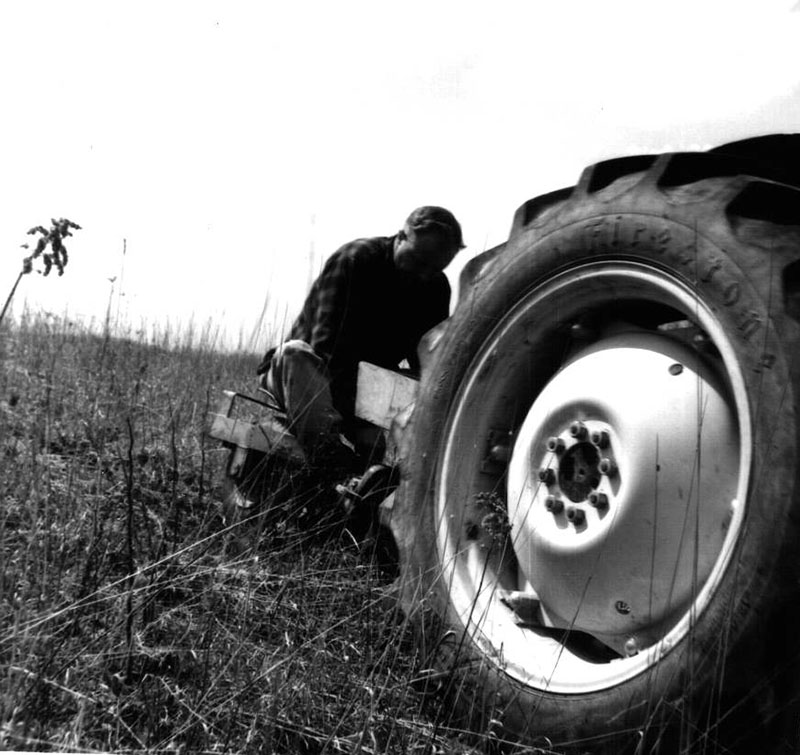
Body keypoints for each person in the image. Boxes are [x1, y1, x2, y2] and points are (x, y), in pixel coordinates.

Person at [256, 205, 464, 470]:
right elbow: (328, 350)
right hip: (307, 376)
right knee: (296, 352)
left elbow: (426, 364)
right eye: (418, 262)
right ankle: (329, 462)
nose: (423, 274)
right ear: (400, 237)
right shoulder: (357, 259)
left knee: (433, 386)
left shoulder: (436, 287)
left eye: (434, 269)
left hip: (368, 388)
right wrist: (362, 423)